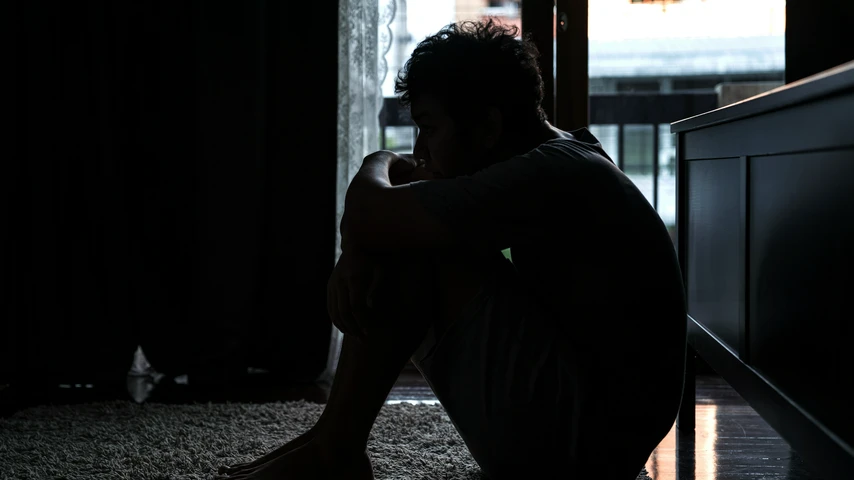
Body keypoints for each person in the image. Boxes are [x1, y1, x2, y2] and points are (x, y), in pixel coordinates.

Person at [216, 18, 687, 480]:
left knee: (416, 245)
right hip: (594, 434)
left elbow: (375, 211)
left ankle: (336, 448)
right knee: (410, 226)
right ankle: (331, 439)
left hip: (580, 449)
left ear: (486, 126)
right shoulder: (565, 155)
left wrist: (375, 161)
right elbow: (386, 205)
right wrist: (362, 243)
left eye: (429, 127)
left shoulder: (550, 175)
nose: (422, 149)